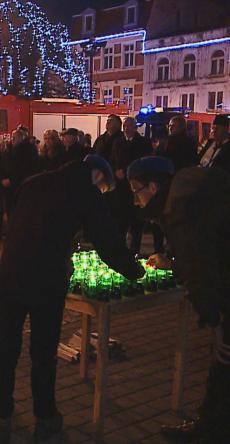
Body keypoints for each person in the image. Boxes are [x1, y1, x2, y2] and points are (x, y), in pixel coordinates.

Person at [0, 155, 144, 444]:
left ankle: (0, 416)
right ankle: (46, 418)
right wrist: (136, 271)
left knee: (7, 349)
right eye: (103, 186)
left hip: (11, 273)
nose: (101, 191)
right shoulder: (85, 192)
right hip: (46, 279)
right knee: (43, 353)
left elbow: (17, 219)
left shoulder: (35, 182)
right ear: (98, 175)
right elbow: (107, 241)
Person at [126, 156, 230, 443]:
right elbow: (208, 245)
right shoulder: (194, 189)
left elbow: (201, 270)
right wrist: (173, 262)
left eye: (137, 190)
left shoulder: (178, 207)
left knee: (223, 359)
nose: (136, 200)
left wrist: (215, 321)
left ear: (154, 186)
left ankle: (210, 430)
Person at [109, 117, 153, 256]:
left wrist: (128, 170)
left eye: (129, 126)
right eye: (125, 126)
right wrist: (116, 170)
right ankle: (120, 250)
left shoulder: (143, 143)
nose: (126, 129)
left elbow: (143, 162)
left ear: (135, 127)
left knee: (136, 221)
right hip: (121, 187)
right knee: (120, 220)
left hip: (136, 186)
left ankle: (135, 250)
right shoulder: (118, 142)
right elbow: (113, 159)